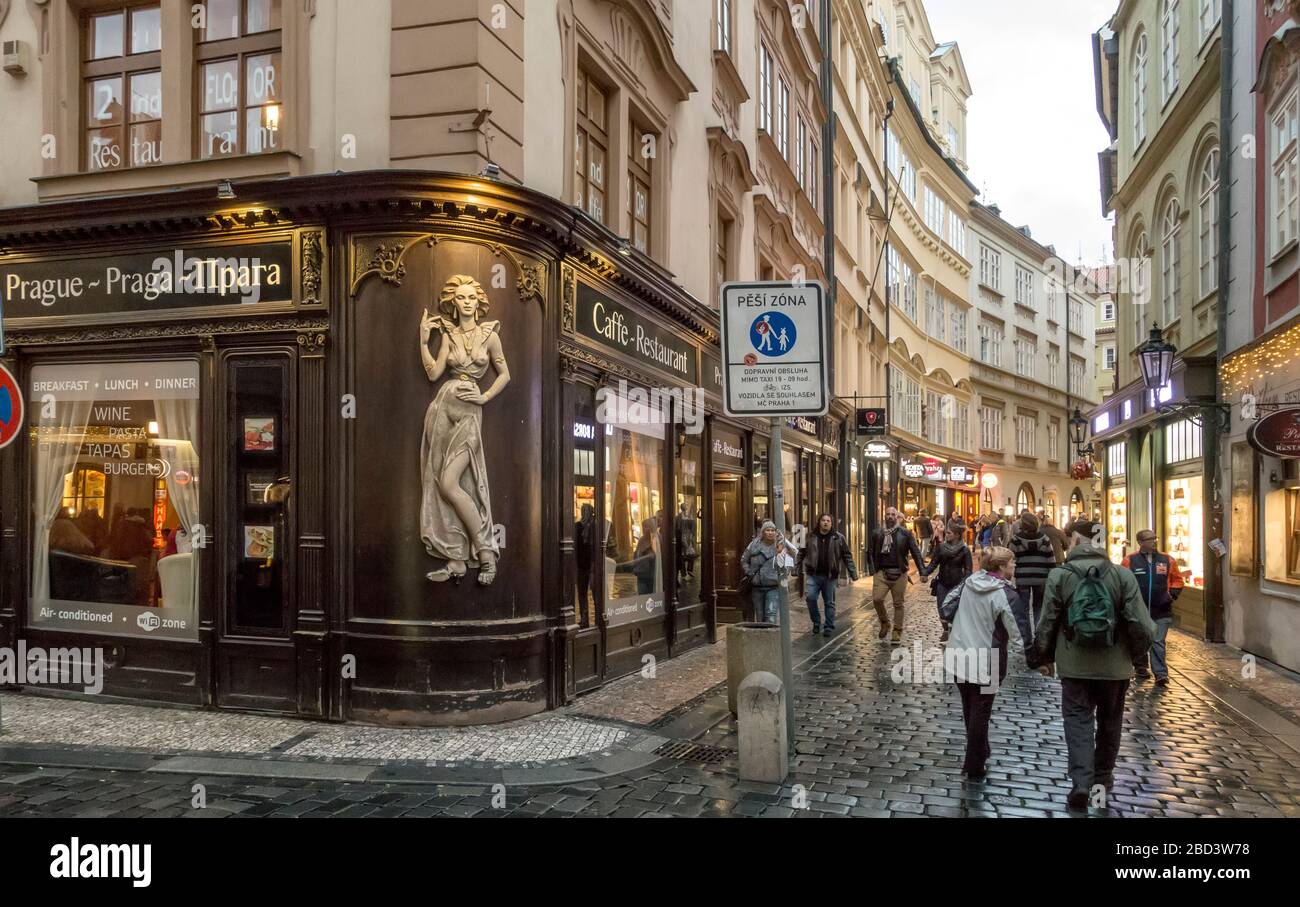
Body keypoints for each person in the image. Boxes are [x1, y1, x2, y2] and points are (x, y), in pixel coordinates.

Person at [1028, 518, 1156, 810]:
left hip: (1074, 665)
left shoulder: (1060, 576)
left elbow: (1046, 621)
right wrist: (1136, 656)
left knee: (1077, 722)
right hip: (1115, 667)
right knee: (1110, 722)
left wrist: (1043, 657)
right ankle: (1102, 779)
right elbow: (1143, 626)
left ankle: (1081, 783)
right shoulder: (1122, 576)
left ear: (1074, 541)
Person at [944, 546, 1022, 780]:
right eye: (1012, 563)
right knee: (981, 710)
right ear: (1000, 567)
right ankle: (974, 763)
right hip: (988, 662)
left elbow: (947, 603)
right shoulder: (1005, 594)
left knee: (970, 707)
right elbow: (1017, 632)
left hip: (959, 656)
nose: (1014, 566)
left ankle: (980, 751)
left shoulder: (970, 582)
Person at [1121, 530, 1184, 686]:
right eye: (1149, 539)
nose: (1153, 542)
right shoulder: (1130, 561)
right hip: (1138, 609)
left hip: (1161, 609)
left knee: (1158, 641)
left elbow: (1177, 580)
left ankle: (1161, 674)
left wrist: (1172, 595)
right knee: (1140, 638)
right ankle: (1141, 667)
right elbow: (1123, 581)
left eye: (1154, 538)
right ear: (1140, 542)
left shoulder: (1167, 560)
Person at [867, 506, 924, 644]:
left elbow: (916, 552)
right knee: (877, 599)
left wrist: (922, 571)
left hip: (900, 573)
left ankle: (897, 631)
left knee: (898, 603)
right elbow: (870, 552)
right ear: (884, 516)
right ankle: (885, 622)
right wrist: (873, 570)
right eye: (888, 514)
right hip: (882, 572)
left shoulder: (905, 533)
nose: (890, 517)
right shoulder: (877, 533)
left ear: (897, 517)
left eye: (893, 514)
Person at [798, 513, 858, 636]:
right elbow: (801, 553)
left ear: (831, 523)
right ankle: (816, 622)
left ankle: (829, 626)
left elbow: (847, 556)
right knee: (810, 598)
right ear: (819, 522)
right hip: (813, 574)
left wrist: (853, 572)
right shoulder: (810, 536)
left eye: (828, 521)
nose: (825, 522)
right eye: (823, 520)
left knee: (829, 602)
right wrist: (795, 569)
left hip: (830, 576)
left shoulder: (838, 538)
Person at [1007, 512, 1056, 646]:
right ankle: (1039, 635)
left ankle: (1026, 637)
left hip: (1023, 578)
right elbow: (1051, 560)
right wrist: (1051, 576)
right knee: (1039, 607)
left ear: (1022, 524)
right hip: (1041, 578)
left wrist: (1009, 577)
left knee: (1023, 609)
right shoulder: (1045, 539)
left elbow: (1010, 560)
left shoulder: (1016, 540)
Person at [924, 526, 972, 642]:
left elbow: (968, 569)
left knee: (955, 609)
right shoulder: (941, 547)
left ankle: (953, 631)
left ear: (957, 535)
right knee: (941, 608)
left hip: (957, 583)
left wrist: (965, 582)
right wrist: (924, 573)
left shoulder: (964, 550)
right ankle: (945, 630)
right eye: (947, 533)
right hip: (942, 582)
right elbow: (933, 563)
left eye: (949, 533)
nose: (947, 535)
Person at [743, 520, 789, 624]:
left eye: (772, 530)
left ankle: (771, 639)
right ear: (763, 532)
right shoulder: (754, 545)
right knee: (759, 616)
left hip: (773, 586)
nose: (770, 532)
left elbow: (787, 564)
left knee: (770, 615)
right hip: (757, 587)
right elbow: (744, 560)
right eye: (767, 530)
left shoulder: (779, 546)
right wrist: (749, 572)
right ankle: (761, 639)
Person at [574, 504, 597, 614]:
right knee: (582, 593)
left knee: (595, 593)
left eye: (585, 510)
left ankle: (597, 616)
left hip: (592, 565)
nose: (584, 513)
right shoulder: (577, 526)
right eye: (583, 510)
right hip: (582, 564)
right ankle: (584, 619)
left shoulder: (595, 526)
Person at [675, 503, 697, 580]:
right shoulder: (678, 517)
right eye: (684, 507)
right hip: (681, 536)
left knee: (691, 554)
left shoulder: (689, 516)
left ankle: (690, 570)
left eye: (686, 506)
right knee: (682, 556)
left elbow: (693, 526)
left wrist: (692, 535)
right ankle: (683, 573)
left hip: (688, 536)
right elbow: (677, 527)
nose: (685, 508)